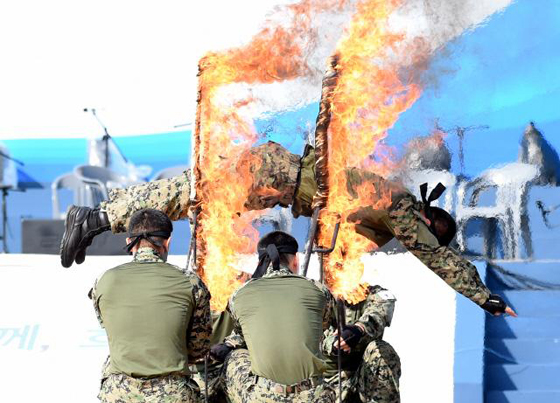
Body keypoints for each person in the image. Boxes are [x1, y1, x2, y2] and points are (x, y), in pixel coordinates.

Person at [62, 141, 515, 317]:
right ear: (429, 217)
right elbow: (436, 254)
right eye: (432, 230)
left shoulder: (383, 220)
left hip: (276, 185)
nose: (422, 238)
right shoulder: (399, 206)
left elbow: (339, 247)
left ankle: (100, 220)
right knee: (190, 193)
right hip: (276, 173)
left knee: (190, 197)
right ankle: (97, 218)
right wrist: (482, 295)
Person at [90, 208, 212, 403]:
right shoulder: (190, 282)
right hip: (173, 393)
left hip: (119, 393)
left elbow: (107, 324)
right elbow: (199, 348)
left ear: (129, 243)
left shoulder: (104, 280)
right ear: (168, 242)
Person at [210, 231, 337, 403]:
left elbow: (244, 335)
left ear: (260, 262)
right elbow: (321, 326)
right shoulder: (319, 291)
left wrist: (228, 345)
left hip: (265, 397)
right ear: (295, 261)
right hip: (312, 396)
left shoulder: (238, 296)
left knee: (235, 357)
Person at [322, 284, 400, 403]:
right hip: (327, 384)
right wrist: (332, 343)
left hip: (362, 377)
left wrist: (359, 329)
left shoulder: (371, 293)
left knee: (382, 350)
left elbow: (378, 312)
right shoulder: (317, 295)